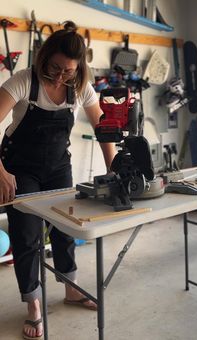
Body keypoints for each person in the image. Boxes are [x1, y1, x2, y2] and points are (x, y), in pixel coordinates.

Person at [0, 21, 116, 340]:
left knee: (66, 227)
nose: (60, 76)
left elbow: (102, 128)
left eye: (69, 71)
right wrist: (1, 172)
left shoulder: (80, 88)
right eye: (55, 68)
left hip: (57, 166)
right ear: (44, 56)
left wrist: (113, 171)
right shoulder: (24, 81)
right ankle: (33, 305)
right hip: (18, 168)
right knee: (27, 235)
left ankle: (71, 290)